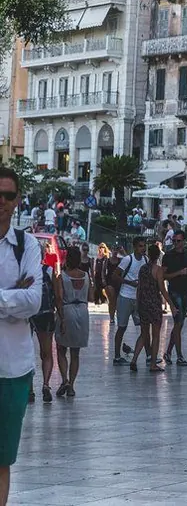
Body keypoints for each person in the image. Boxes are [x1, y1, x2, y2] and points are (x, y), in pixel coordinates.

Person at [0, 166, 41, 506]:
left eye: (8, 195)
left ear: (17, 201)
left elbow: (34, 301)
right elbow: (21, 300)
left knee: (2, 459)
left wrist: (12, 298)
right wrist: (12, 294)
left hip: (12, 369)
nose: (1, 201)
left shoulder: (27, 246)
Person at [53, 245, 90, 398]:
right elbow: (91, 296)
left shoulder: (62, 276)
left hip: (67, 310)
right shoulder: (86, 276)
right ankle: (72, 386)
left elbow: (59, 298)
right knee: (76, 352)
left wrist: (61, 318)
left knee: (61, 349)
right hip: (83, 311)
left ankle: (65, 380)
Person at [129, 243, 167, 373]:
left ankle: (134, 359)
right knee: (156, 335)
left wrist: (138, 302)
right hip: (154, 304)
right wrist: (171, 305)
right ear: (158, 256)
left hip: (143, 303)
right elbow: (162, 289)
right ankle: (153, 364)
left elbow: (139, 287)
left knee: (144, 334)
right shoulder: (158, 270)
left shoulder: (143, 269)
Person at [112, 237, 146, 365]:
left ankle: (149, 356)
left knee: (144, 328)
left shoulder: (146, 260)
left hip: (139, 298)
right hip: (125, 296)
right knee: (122, 327)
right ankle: (117, 356)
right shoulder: (127, 260)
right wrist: (129, 283)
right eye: (140, 246)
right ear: (135, 247)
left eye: (144, 246)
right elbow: (115, 275)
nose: (143, 249)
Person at [161, 229, 187, 367]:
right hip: (174, 291)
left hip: (186, 292)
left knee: (179, 324)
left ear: (183, 241)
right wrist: (178, 273)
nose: (176, 243)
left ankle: (168, 352)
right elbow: (163, 276)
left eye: (178, 241)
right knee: (178, 323)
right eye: (174, 241)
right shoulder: (168, 255)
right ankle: (179, 356)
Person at [28, 253, 57, 403]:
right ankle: (46, 385)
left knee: (26, 353)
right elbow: (58, 293)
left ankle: (30, 389)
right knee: (46, 353)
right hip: (45, 313)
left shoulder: (23, 271)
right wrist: (60, 314)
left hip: (26, 315)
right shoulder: (48, 270)